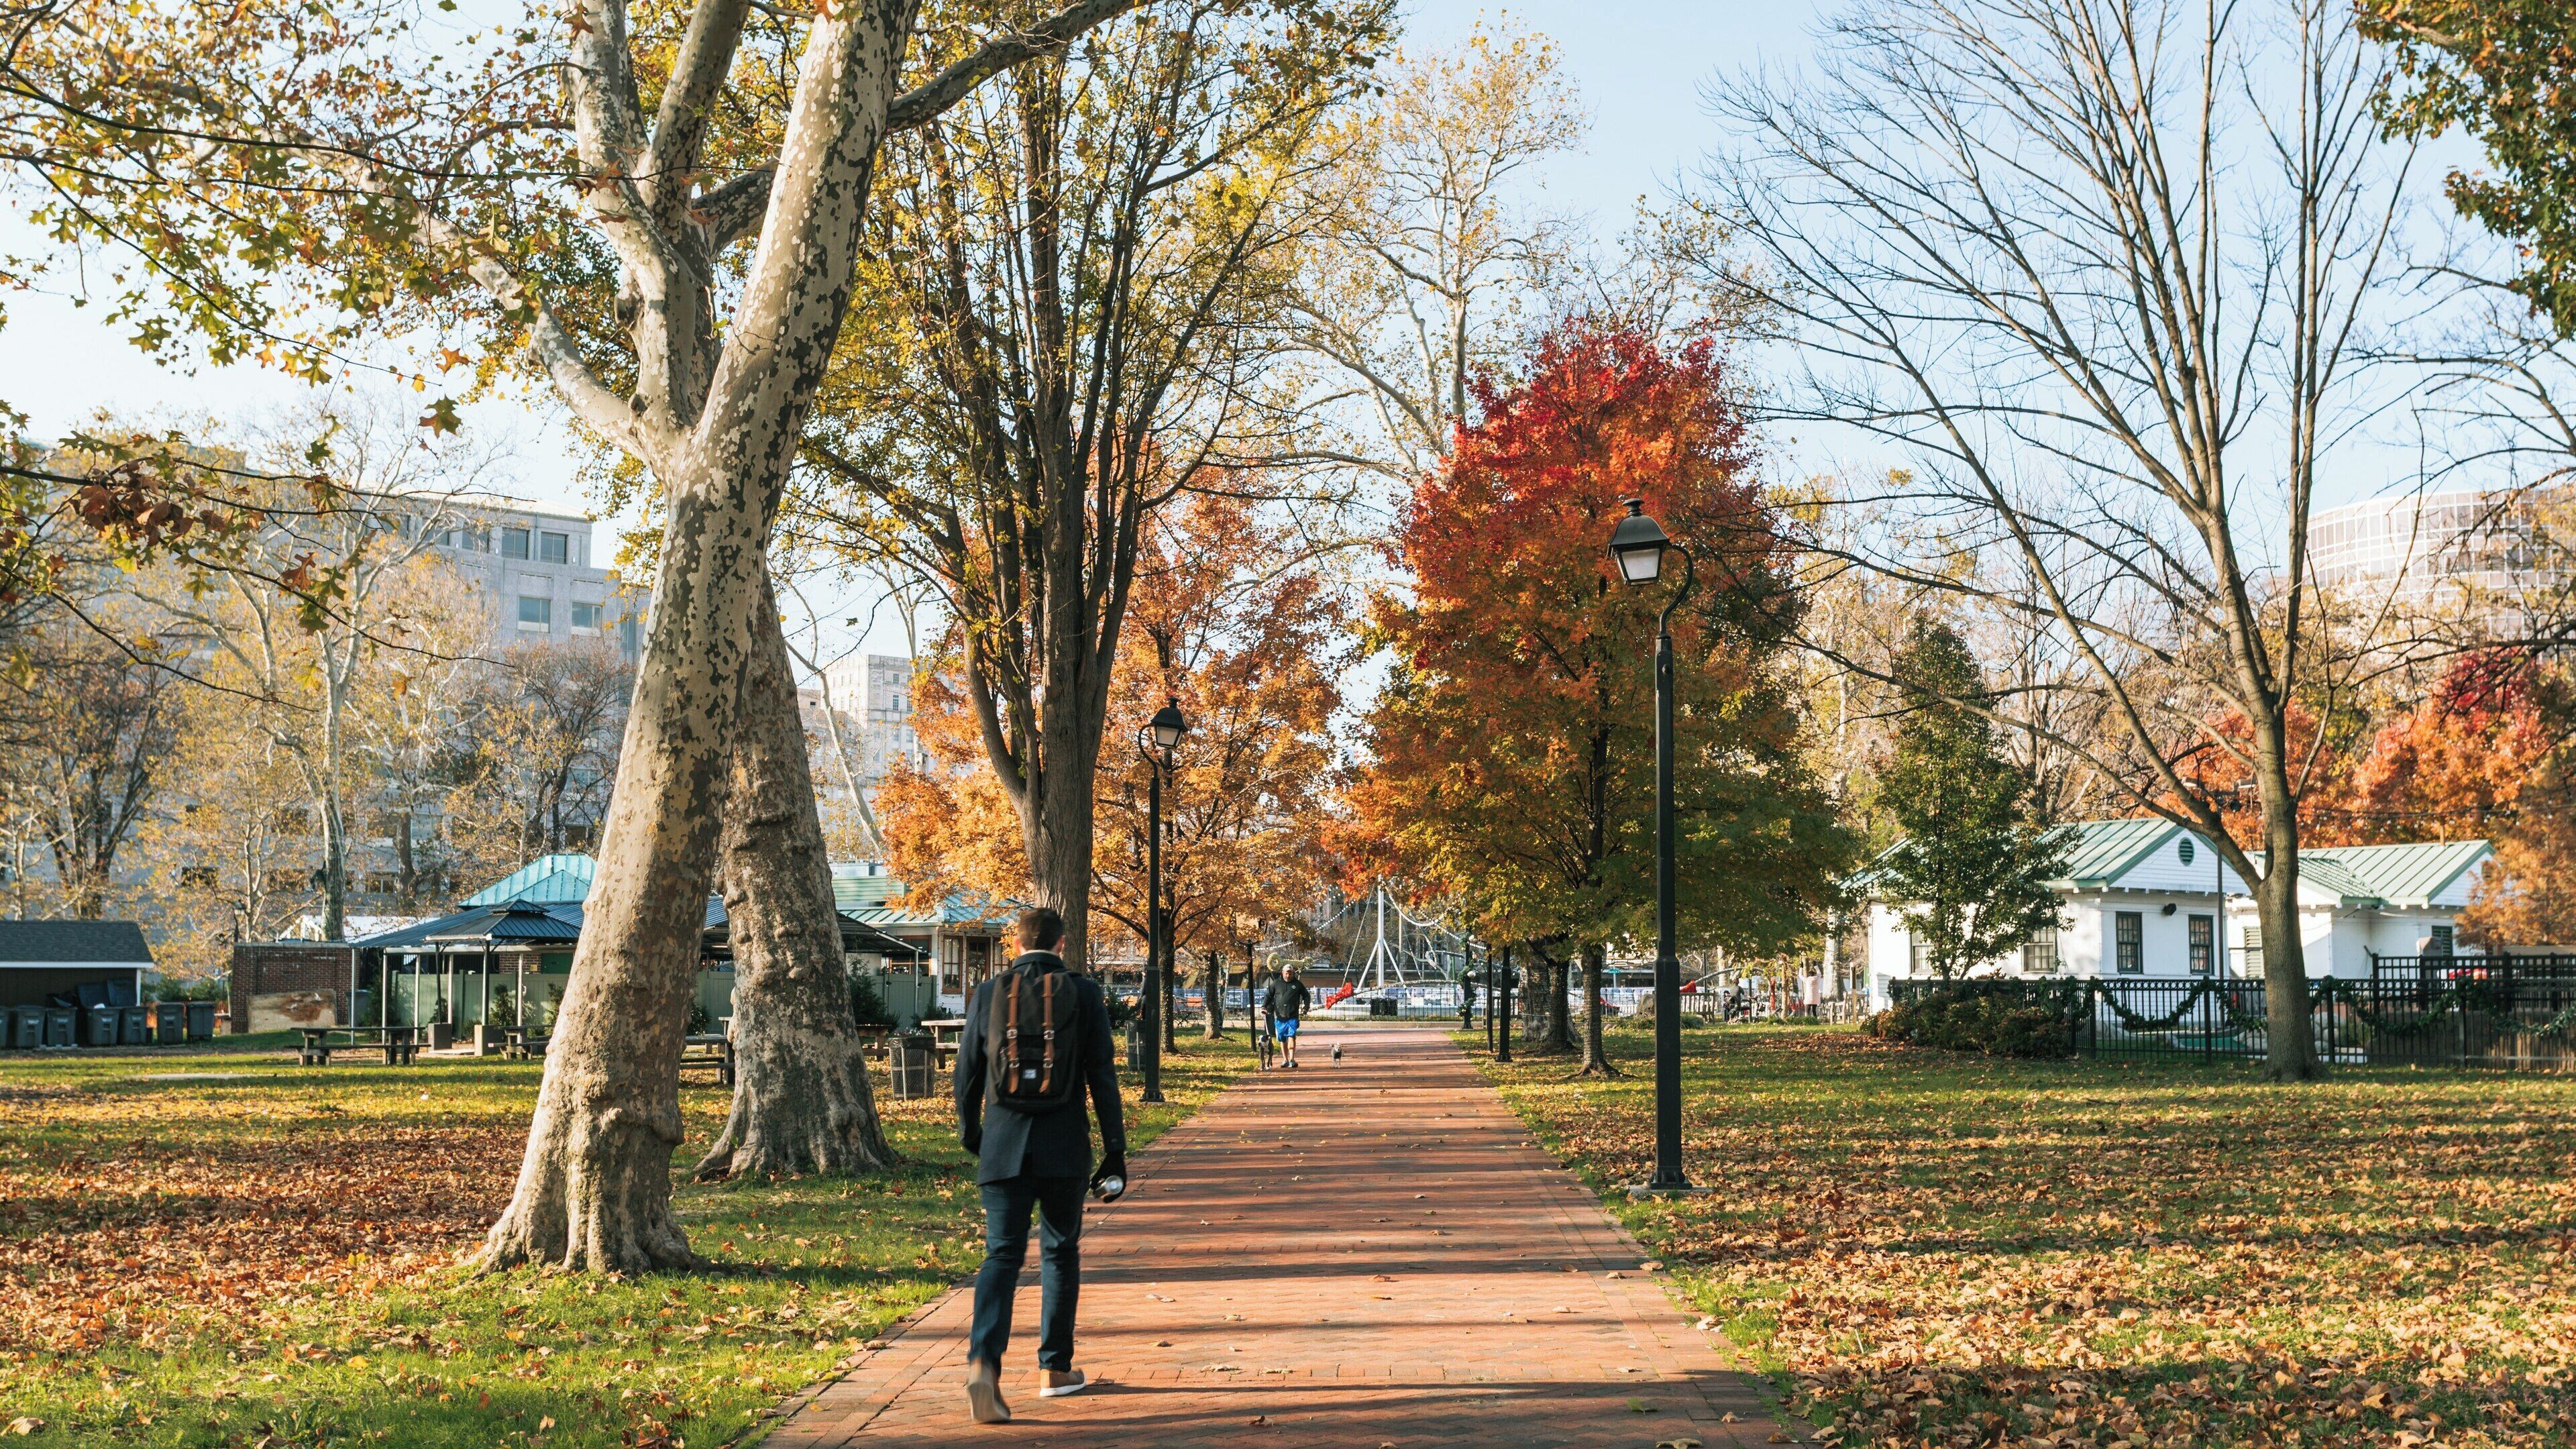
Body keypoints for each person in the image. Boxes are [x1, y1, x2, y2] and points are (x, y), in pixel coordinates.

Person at [955, 907, 1127, 1424]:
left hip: (1003, 1146)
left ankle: (984, 1363)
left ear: (1016, 943)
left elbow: (967, 1073)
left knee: (1000, 1257)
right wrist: (1115, 1149)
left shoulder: (989, 993)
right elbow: (1102, 1075)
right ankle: (1055, 1369)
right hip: (1063, 1146)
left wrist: (973, 1137)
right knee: (1060, 1253)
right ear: (1061, 943)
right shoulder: (1085, 993)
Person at [1263, 963, 1311, 1069]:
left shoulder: (1298, 984)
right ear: (1283, 973)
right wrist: (1264, 1007)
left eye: (1291, 973)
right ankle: (1285, 1059)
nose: (1289, 975)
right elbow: (1268, 995)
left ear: (1293, 973)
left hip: (1293, 1016)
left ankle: (1292, 1059)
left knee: (1291, 1036)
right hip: (1280, 1016)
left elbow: (1306, 995)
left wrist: (1306, 1007)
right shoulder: (1276, 984)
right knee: (1282, 1039)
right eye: (1287, 973)